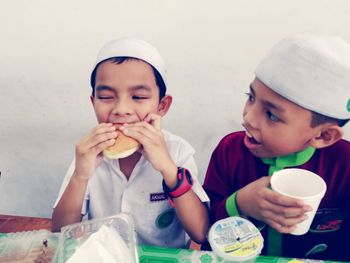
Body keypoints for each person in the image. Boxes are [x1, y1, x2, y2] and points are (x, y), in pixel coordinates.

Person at [202, 35, 350, 261]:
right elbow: (204, 227)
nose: (248, 119)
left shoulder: (344, 165)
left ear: (323, 136)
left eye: (272, 115)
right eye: (250, 97)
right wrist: (239, 203)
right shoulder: (230, 151)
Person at [52, 37, 210, 248]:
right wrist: (80, 176)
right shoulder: (89, 154)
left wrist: (168, 168)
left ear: (162, 106)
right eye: (107, 97)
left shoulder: (176, 151)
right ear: (93, 103)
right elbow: (60, 233)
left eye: (138, 97)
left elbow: (200, 233)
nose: (121, 109)